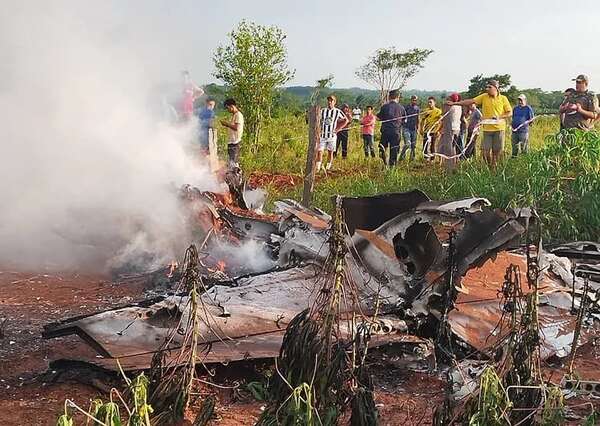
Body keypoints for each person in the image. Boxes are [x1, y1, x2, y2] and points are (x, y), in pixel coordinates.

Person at [448, 80, 512, 168]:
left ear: (496, 88)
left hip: (499, 129)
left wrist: (499, 117)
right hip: (487, 130)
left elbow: (509, 112)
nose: (487, 89)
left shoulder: (503, 99)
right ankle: (490, 167)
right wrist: (455, 103)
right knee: (485, 153)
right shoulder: (484, 97)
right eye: (487, 87)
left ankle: (494, 171)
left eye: (490, 87)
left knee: (496, 153)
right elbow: (470, 101)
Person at [316, 95, 348, 172]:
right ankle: (317, 168)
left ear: (334, 102)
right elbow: (317, 120)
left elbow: (345, 120)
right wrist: (318, 129)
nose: (329, 102)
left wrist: (338, 129)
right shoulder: (323, 111)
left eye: (331, 101)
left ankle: (327, 168)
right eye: (329, 101)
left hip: (332, 136)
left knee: (330, 152)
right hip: (323, 135)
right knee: (320, 151)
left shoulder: (337, 111)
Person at [377, 89, 406, 166]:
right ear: (398, 97)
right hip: (396, 132)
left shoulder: (384, 107)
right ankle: (392, 167)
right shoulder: (402, 108)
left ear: (389, 97)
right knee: (394, 150)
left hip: (385, 131)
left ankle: (384, 163)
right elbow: (404, 121)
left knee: (382, 148)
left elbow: (379, 118)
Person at [438, 93, 463, 171]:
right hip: (457, 129)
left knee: (448, 147)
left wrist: (445, 103)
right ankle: (453, 164)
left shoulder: (450, 107)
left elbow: (443, 113)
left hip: (450, 128)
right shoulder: (459, 107)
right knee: (453, 147)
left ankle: (449, 167)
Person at [220, 98, 244, 166]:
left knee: (234, 162)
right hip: (232, 142)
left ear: (232, 106)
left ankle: (236, 176)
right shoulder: (234, 115)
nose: (228, 110)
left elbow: (236, 128)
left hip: (235, 142)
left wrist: (226, 124)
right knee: (232, 161)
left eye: (228, 108)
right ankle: (234, 175)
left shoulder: (238, 115)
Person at [400, 95, 420, 161]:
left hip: (414, 129)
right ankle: (402, 157)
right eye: (413, 100)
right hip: (406, 128)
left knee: (413, 145)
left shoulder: (417, 108)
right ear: (411, 100)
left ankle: (412, 159)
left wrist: (418, 128)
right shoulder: (406, 107)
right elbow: (402, 117)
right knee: (407, 144)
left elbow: (418, 118)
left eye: (416, 100)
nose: (414, 101)